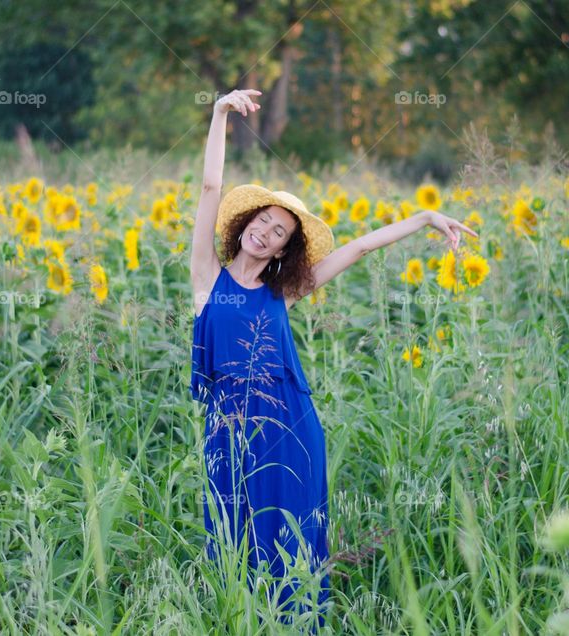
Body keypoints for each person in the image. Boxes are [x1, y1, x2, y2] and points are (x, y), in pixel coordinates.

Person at [189, 88, 478, 630]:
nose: (265, 232)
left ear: (282, 251)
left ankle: (297, 624)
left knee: (293, 533)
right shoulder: (206, 278)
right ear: (244, 223)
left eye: (278, 232)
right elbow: (209, 187)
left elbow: (359, 248)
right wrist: (219, 114)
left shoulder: (281, 292)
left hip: (291, 427)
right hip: (228, 425)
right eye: (262, 221)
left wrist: (423, 217)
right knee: (233, 531)